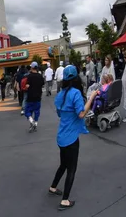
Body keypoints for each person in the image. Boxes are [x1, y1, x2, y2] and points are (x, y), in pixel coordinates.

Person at [49, 65, 99, 211]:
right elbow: (82, 113)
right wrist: (92, 97)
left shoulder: (60, 94)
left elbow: (59, 114)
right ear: (76, 77)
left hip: (61, 137)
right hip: (71, 139)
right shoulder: (75, 93)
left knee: (63, 164)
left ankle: (53, 187)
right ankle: (65, 200)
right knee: (72, 168)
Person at [24, 62, 44, 132]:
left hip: (30, 97)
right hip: (38, 97)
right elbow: (42, 84)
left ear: (32, 68)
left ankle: (31, 121)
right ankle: (35, 123)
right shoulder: (40, 76)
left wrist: (26, 87)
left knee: (27, 111)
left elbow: (27, 86)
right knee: (37, 111)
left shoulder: (29, 76)